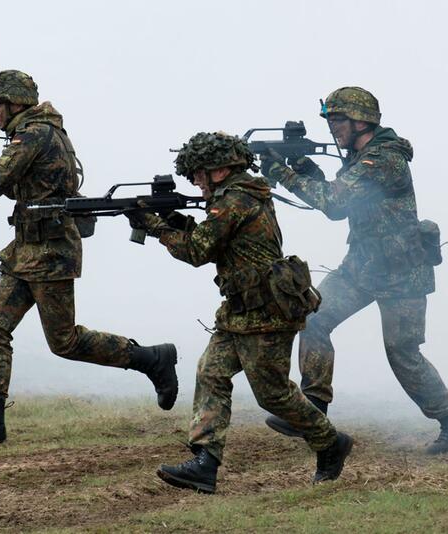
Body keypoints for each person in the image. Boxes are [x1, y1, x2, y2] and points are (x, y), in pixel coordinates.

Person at [0, 70, 179, 443]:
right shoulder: (35, 131)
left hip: (50, 254)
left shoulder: (34, 133)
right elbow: (17, 184)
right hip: (26, 252)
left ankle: (150, 359)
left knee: (64, 342)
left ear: (16, 102)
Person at [132, 132, 352, 494]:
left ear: (220, 169)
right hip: (240, 310)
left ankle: (330, 443)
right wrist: (172, 221)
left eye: (199, 173)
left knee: (274, 395)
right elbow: (215, 241)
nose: (195, 181)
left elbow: (198, 251)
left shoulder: (235, 199)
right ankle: (205, 461)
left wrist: (155, 226)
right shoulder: (233, 197)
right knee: (211, 372)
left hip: (266, 312)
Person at [260, 87, 448, 453]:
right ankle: (313, 408)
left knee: (402, 353)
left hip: (401, 272)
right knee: (313, 318)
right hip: (360, 266)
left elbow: (333, 202)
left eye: (339, 120)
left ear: (363, 121)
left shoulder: (385, 159)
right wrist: (304, 168)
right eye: (330, 120)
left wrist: (283, 172)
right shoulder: (362, 156)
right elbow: (343, 201)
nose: (333, 128)